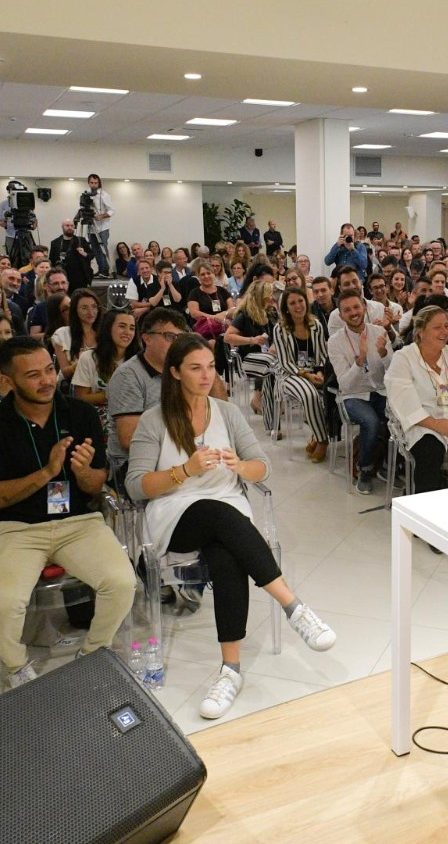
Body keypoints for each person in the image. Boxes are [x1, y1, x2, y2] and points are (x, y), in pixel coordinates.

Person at [124, 334, 336, 719]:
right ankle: (293, 606)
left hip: (227, 509)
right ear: (175, 372)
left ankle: (230, 671)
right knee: (217, 514)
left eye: (210, 366)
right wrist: (184, 470)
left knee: (226, 554)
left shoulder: (227, 413)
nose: (207, 375)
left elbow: (261, 468)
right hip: (175, 514)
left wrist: (239, 466)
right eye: (195, 368)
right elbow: (136, 485)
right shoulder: (154, 420)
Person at [0, 337, 136, 687]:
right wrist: (47, 472)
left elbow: (96, 484)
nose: (47, 380)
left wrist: (83, 472)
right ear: (8, 380)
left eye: (49, 369)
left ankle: (93, 653)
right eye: (33, 375)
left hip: (78, 522)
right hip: (16, 527)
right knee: (2, 604)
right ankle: (17, 668)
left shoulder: (80, 414)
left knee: (121, 582)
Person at [384, 306, 448, 495]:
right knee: (430, 450)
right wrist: (437, 425)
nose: (444, 331)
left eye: (446, 326)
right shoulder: (404, 358)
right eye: (437, 327)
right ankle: (424, 503)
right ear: (420, 332)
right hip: (423, 423)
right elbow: (403, 402)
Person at [107, 307, 189, 464]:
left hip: (175, 455)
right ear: (147, 339)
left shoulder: (181, 369)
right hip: (137, 464)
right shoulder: (128, 376)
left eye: (180, 338)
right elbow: (129, 439)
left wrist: (205, 361)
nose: (176, 344)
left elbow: (217, 409)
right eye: (170, 337)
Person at [328, 288, 390, 494]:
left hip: (380, 391)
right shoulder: (335, 342)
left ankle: (389, 465)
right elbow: (344, 384)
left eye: (356, 307)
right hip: (353, 396)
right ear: (341, 315)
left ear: (364, 307)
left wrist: (384, 354)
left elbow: (392, 372)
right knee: (371, 422)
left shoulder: (379, 332)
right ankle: (365, 470)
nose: (353, 313)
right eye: (347, 310)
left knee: (398, 417)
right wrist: (360, 360)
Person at [272, 287, 331, 462]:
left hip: (314, 371)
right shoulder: (279, 329)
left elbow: (322, 354)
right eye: (292, 303)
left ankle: (316, 436)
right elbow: (284, 362)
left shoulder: (316, 325)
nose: (298, 306)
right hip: (289, 374)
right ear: (286, 308)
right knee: (309, 394)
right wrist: (306, 375)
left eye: (300, 301)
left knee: (333, 393)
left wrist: (319, 371)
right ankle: (322, 440)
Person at [224, 277, 276, 416]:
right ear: (260, 297)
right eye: (269, 295)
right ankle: (257, 399)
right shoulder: (244, 315)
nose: (271, 298)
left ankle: (273, 399)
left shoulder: (269, 312)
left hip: (266, 354)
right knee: (269, 362)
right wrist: (252, 340)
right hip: (247, 357)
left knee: (276, 360)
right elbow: (228, 337)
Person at [73, 309, 137, 408]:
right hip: (95, 414)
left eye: (132, 328)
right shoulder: (89, 358)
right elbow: (80, 398)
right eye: (122, 326)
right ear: (108, 328)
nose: (127, 332)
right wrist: (113, 394)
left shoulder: (138, 360)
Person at [52, 289, 101, 385]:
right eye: (84, 308)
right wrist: (84, 362)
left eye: (94, 307)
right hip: (71, 384)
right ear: (75, 310)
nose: (91, 312)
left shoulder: (104, 333)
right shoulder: (62, 334)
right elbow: (65, 372)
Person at [49, 219, 94, 292]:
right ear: (62, 227)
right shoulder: (55, 243)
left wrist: (85, 254)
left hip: (80, 279)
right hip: (62, 278)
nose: (70, 227)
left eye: (72, 226)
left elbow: (91, 255)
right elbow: (52, 260)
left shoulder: (81, 241)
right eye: (67, 225)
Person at [84, 173, 115, 278]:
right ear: (88, 183)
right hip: (91, 227)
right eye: (91, 183)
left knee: (102, 248)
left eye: (95, 183)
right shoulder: (86, 194)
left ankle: (106, 270)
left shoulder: (104, 195)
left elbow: (112, 210)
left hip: (103, 227)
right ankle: (100, 269)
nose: (93, 185)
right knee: (95, 249)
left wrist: (102, 216)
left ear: (99, 183)